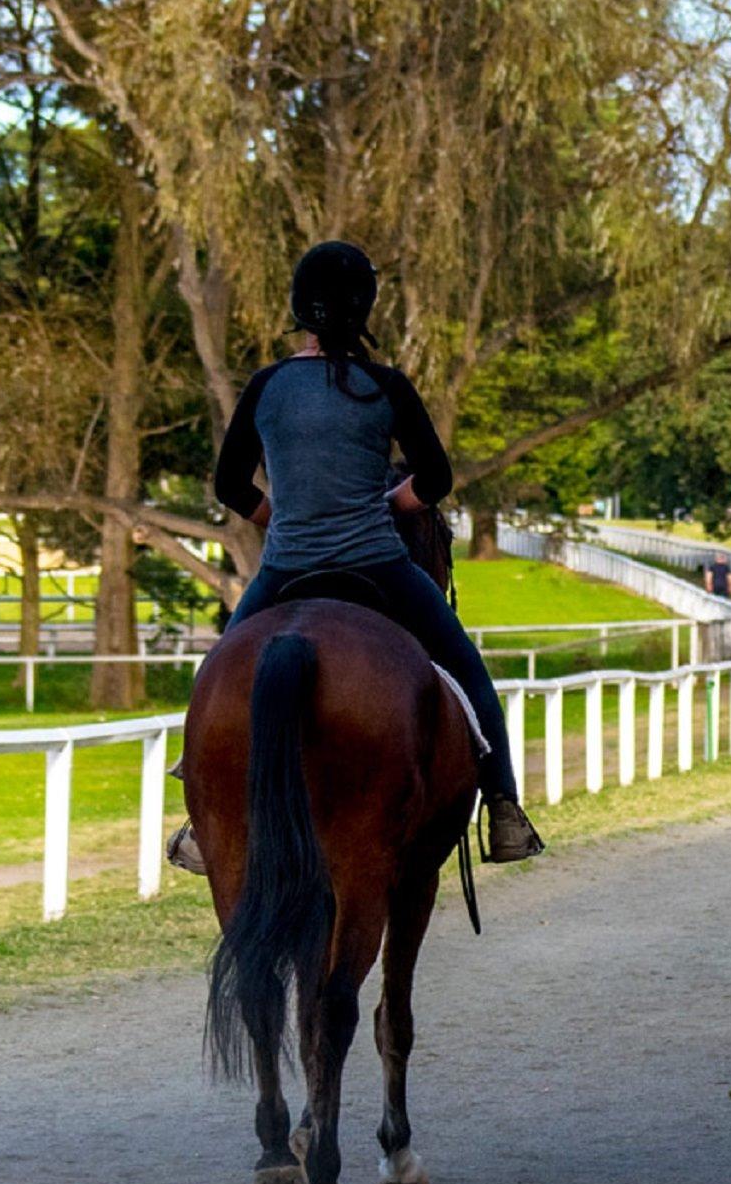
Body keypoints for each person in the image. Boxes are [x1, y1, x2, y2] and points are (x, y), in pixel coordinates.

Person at [168, 240, 543, 873]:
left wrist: (283, 518)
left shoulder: (267, 385)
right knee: (469, 673)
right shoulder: (386, 386)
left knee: (217, 678)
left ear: (300, 310)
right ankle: (504, 808)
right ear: (364, 308)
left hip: (286, 570)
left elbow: (230, 485)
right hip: (380, 567)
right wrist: (391, 505)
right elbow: (436, 478)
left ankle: (201, 818)